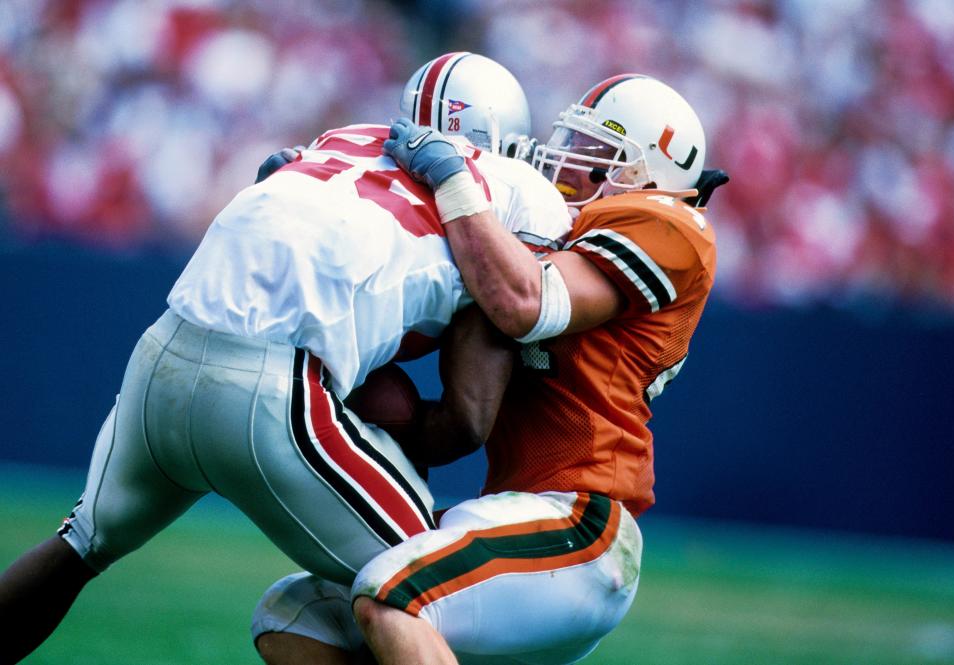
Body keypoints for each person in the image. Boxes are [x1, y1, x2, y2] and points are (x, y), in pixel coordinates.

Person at [0, 53, 571, 664]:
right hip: (273, 388)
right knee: (435, 590)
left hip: (165, 350)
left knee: (82, 543)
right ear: (502, 138)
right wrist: (396, 423)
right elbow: (468, 419)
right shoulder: (518, 191)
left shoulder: (342, 139)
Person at [250, 74, 728, 664]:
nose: (566, 163)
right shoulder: (552, 235)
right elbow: (445, 346)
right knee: (293, 618)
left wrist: (454, 182)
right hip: (514, 511)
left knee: (395, 594)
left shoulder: (669, 224)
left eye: (594, 152)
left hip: (580, 520)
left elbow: (526, 305)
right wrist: (315, 204)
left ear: (644, 175)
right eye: (571, 143)